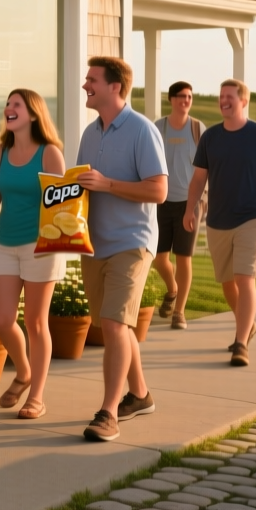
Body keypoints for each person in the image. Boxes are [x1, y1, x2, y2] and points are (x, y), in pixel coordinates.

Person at [74, 56, 167, 442]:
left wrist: (108, 184)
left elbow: (159, 190)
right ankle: (140, 395)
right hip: (94, 244)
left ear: (115, 87)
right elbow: (82, 188)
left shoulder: (142, 131)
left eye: (91, 80)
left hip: (133, 242)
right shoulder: (89, 134)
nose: (85, 86)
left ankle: (108, 412)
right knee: (117, 324)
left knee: (114, 323)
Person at [0, 89, 66, 420]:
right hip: (4, 243)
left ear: (33, 114)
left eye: (16, 104)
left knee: (36, 322)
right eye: (7, 104)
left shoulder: (50, 153)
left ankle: (36, 396)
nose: (9, 109)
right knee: (3, 320)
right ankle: (24, 371)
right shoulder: (0, 152)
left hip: (41, 247)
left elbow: (61, 205)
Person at [186, 79, 256, 367]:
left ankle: (241, 343)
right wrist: (190, 209)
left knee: (245, 278)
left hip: (252, 216)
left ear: (244, 101)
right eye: (221, 96)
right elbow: (198, 178)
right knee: (228, 283)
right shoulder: (210, 137)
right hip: (217, 219)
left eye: (229, 96)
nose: (223, 100)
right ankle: (247, 322)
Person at [153, 81, 204, 329]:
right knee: (159, 258)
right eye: (181, 96)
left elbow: (208, 167)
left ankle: (179, 311)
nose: (186, 100)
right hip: (160, 201)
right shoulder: (158, 127)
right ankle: (172, 289)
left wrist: (202, 201)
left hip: (189, 203)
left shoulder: (197, 128)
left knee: (184, 258)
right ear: (171, 99)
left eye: (189, 97)